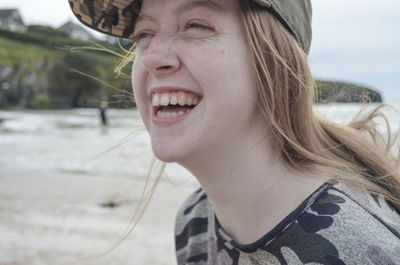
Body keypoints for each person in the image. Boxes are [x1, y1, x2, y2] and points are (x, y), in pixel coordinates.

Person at [69, 0, 400, 264]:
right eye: (143, 34)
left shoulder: (357, 249)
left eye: (196, 25)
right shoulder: (196, 220)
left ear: (276, 60)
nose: (152, 56)